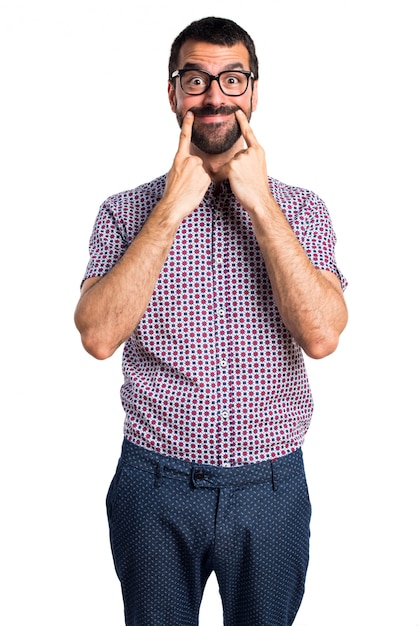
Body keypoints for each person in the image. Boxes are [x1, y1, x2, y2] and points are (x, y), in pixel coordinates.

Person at [74, 16, 348, 626]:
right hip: (154, 486)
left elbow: (323, 335)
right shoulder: (124, 213)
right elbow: (96, 336)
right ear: (173, 93)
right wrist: (174, 203)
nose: (215, 96)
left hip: (273, 491)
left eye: (232, 79)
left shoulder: (302, 210)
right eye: (196, 79)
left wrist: (260, 202)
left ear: (253, 92)